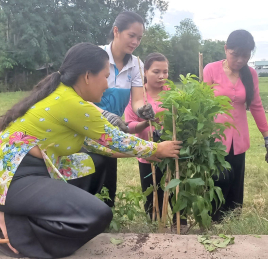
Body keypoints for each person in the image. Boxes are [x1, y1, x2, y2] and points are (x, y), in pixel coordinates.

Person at [0, 42, 181, 258]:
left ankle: (37, 213)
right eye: (105, 77)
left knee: (96, 161)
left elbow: (101, 146)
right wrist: (158, 148)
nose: (107, 85)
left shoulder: (64, 95)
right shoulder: (73, 104)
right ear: (87, 76)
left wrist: (150, 152)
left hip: (36, 168)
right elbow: (114, 139)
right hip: (14, 175)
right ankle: (17, 232)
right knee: (97, 215)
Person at [203, 30, 268, 222]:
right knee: (219, 179)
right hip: (215, 138)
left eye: (245, 56)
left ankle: (233, 223)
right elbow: (202, 103)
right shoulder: (211, 69)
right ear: (226, 49)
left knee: (236, 182)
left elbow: (256, 106)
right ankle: (213, 221)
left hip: (239, 138)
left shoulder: (250, 74)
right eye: (235, 54)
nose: (240, 60)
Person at [91, 11, 155, 207]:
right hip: (86, 124)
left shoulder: (136, 63)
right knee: (88, 176)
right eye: (131, 35)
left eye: (139, 38)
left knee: (108, 183)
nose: (135, 42)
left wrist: (142, 109)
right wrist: (104, 114)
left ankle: (104, 221)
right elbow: (78, 98)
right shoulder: (95, 56)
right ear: (116, 31)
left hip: (111, 130)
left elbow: (136, 101)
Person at [124, 52, 169, 220]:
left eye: (165, 72)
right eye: (156, 72)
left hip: (170, 151)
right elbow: (128, 125)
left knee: (174, 192)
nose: (161, 76)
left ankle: (180, 225)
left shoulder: (171, 93)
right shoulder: (137, 95)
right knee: (151, 192)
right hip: (147, 154)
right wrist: (145, 123)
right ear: (145, 72)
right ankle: (154, 225)